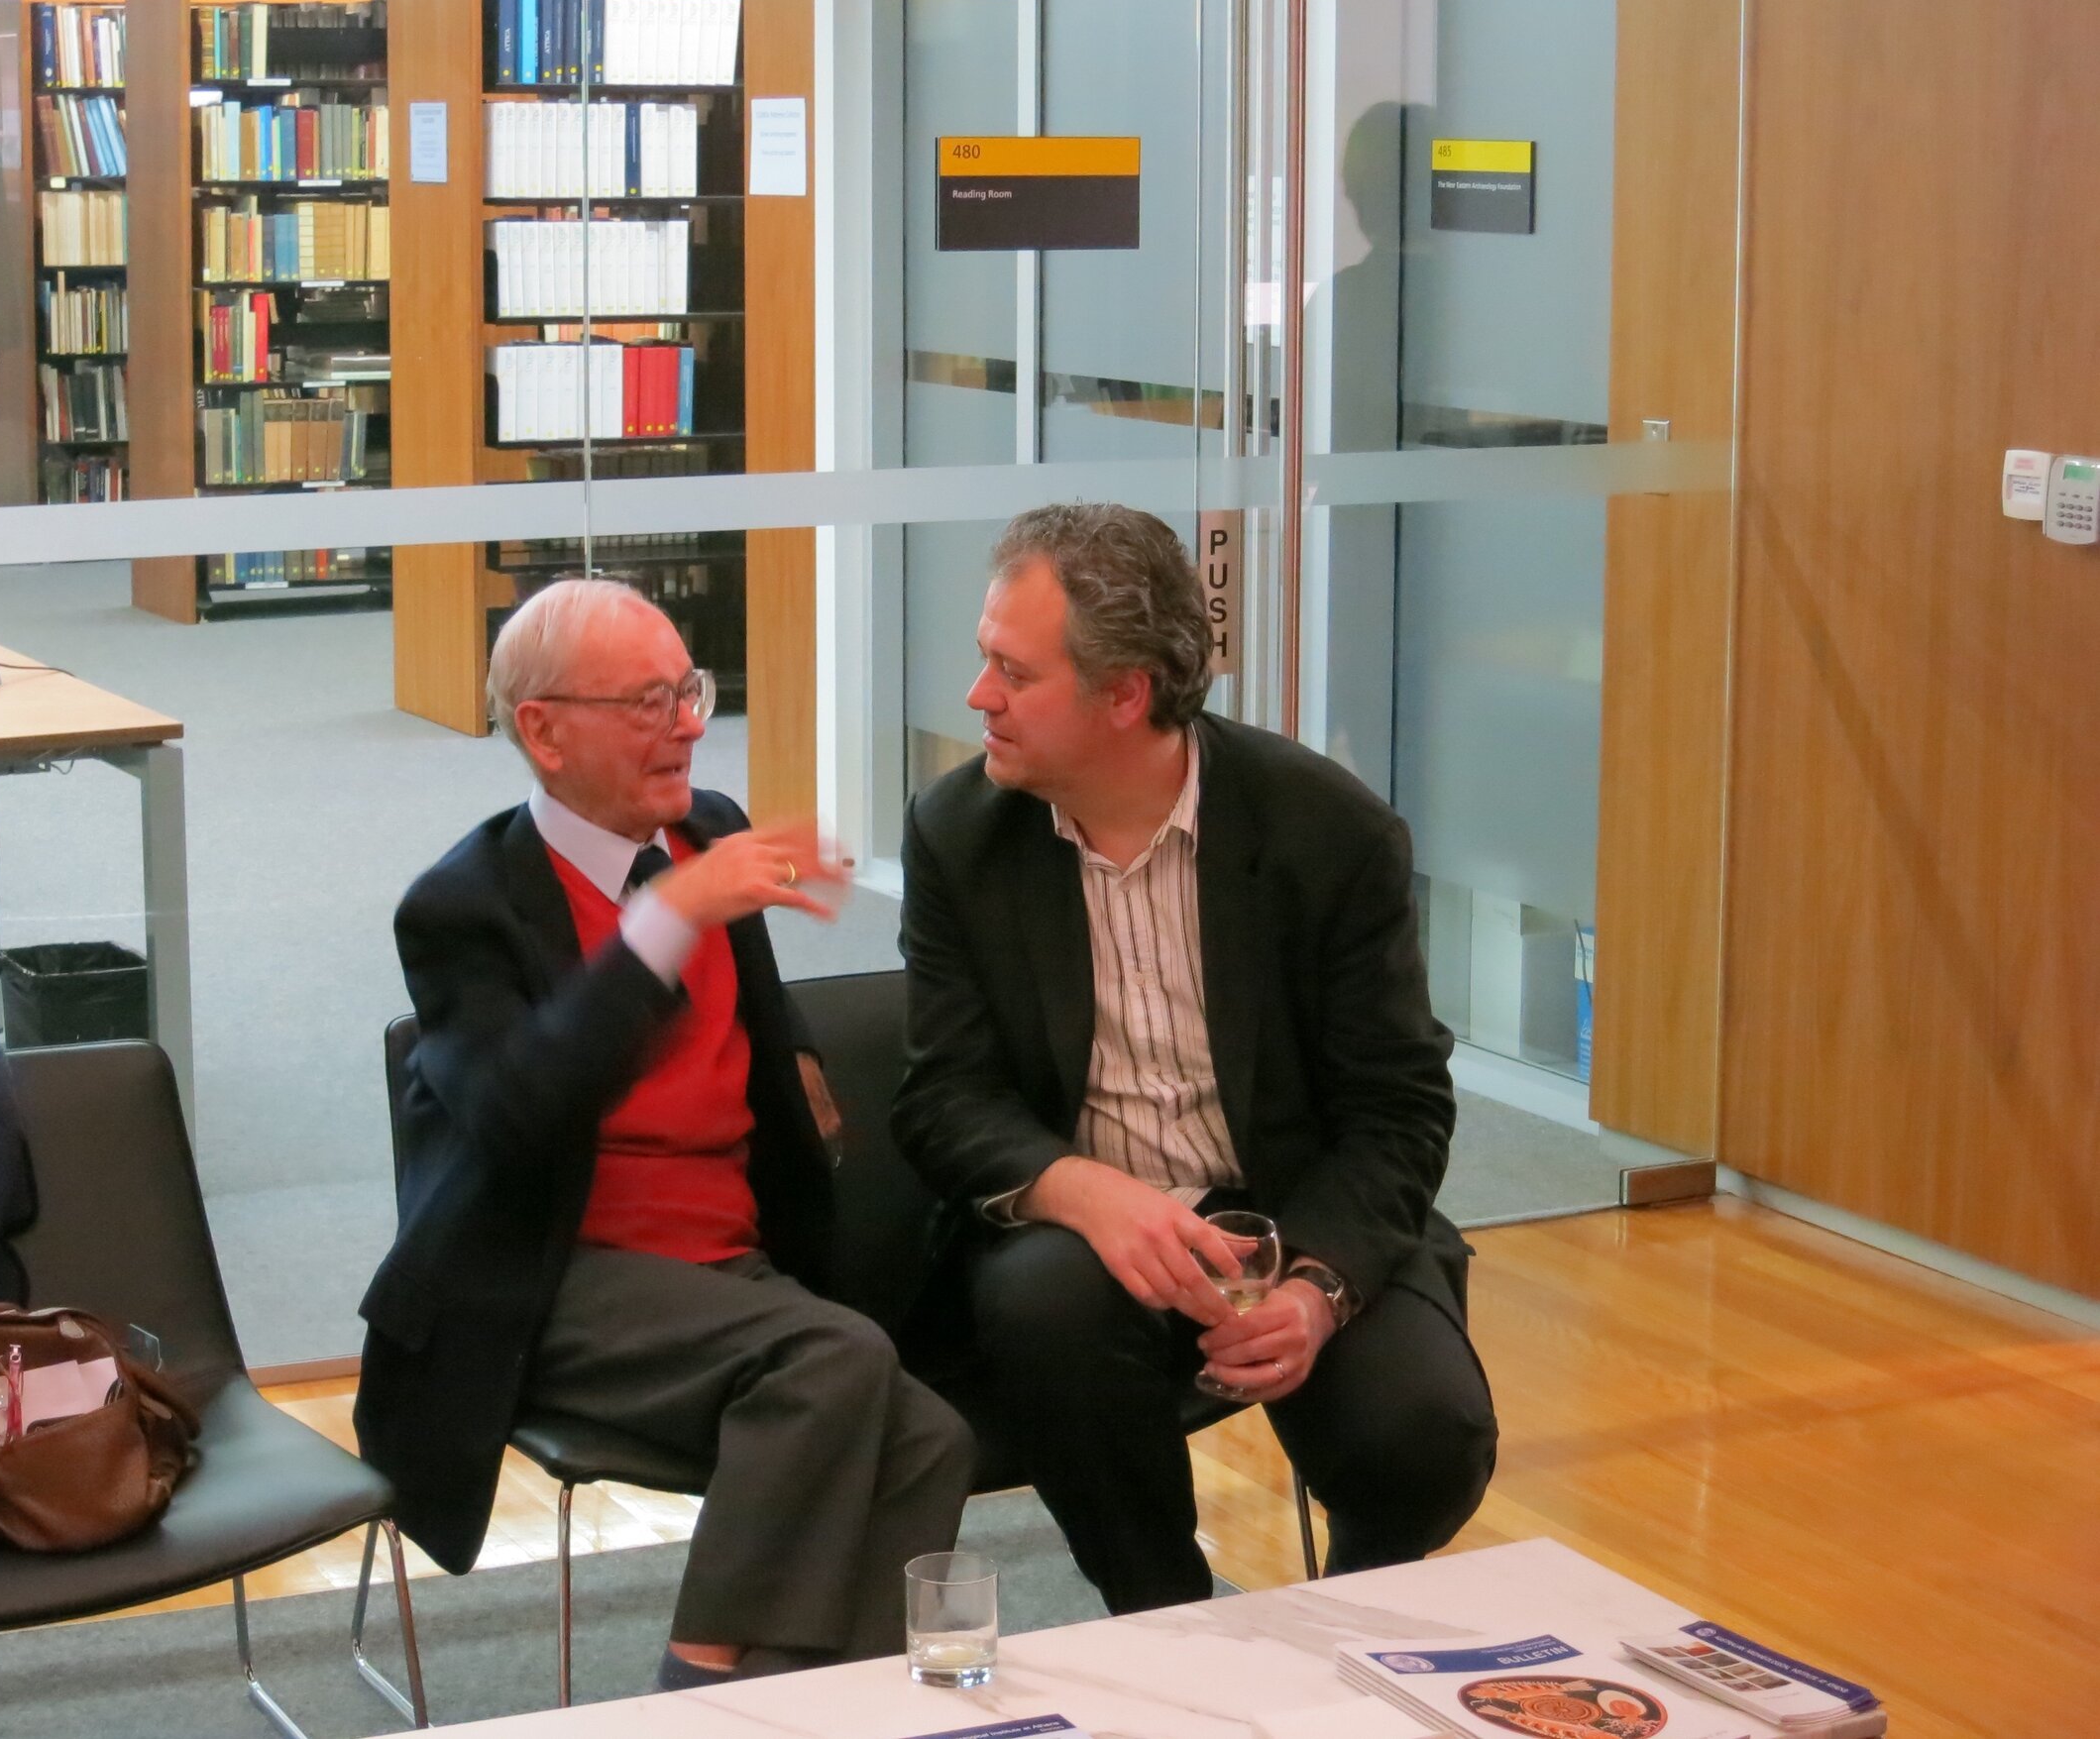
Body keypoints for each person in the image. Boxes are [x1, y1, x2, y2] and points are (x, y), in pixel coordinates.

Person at [356, 577, 973, 1688]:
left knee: (929, 1435)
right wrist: (665, 922)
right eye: (648, 700)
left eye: (687, 689)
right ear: (543, 732)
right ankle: (689, 1696)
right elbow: (514, 1116)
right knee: (833, 1361)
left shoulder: (710, 832)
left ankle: (804, 1711)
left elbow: (751, 1010)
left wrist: (794, 1055)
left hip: (726, 1275)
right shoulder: (461, 907)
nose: (690, 722)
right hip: (552, 1281)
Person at [892, 504, 1496, 1613]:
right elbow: (943, 1096)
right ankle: (1163, 1619)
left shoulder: (1329, 832)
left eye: (1011, 673)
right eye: (985, 660)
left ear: (1123, 696)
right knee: (1044, 1307)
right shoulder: (958, 835)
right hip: (1086, 1238)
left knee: (1427, 1433)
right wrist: (1084, 1193)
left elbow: (1398, 1109)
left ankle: (1347, 1622)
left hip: (1293, 1208)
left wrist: (1315, 1288)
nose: (978, 696)